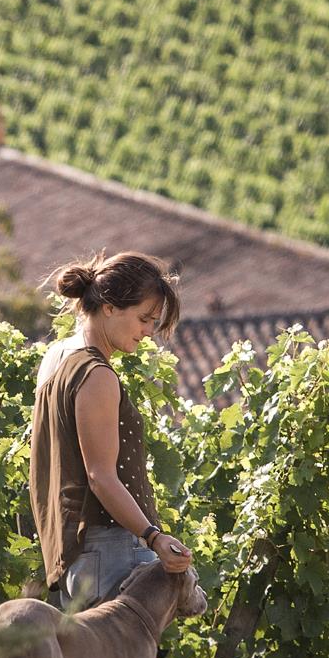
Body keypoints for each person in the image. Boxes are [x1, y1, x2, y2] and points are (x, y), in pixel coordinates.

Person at [29, 251, 195, 611]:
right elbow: (100, 476)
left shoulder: (55, 359)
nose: (149, 332)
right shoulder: (97, 374)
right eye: (144, 318)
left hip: (74, 556)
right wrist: (153, 536)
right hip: (110, 552)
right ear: (108, 306)